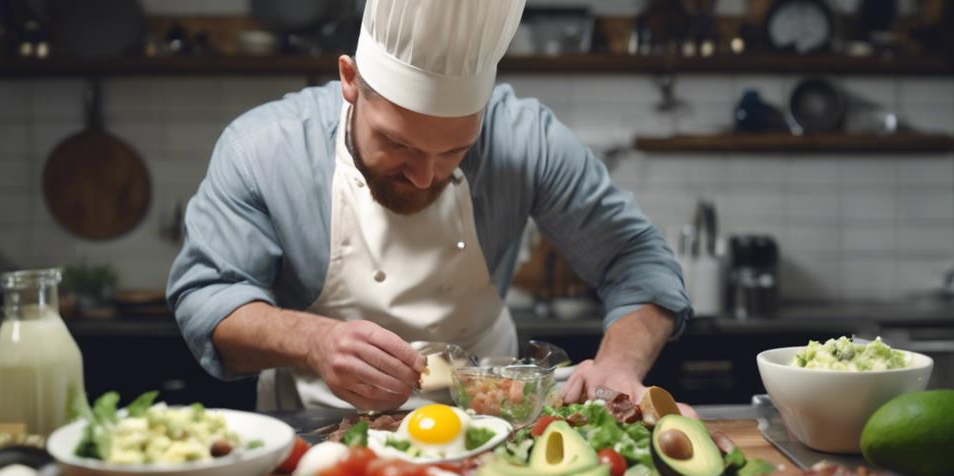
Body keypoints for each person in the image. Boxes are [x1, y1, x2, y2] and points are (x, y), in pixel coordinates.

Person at [167, 0, 694, 415]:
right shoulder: (264, 148)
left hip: (492, 429)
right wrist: (314, 341)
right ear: (350, 80)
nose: (424, 177)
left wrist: (619, 365)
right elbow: (206, 299)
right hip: (319, 435)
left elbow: (637, 259)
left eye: (454, 152)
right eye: (398, 144)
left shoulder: (525, 138)